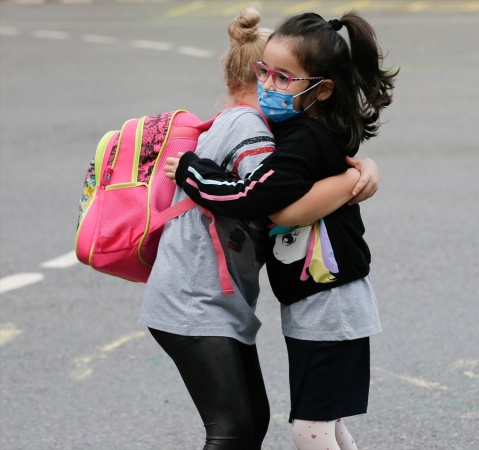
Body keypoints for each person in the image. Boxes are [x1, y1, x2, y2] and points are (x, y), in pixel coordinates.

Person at [140, 8, 380, 450]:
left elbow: (265, 197)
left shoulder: (297, 134)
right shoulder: (263, 129)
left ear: (319, 89)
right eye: (265, 73)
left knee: (264, 425)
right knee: (241, 429)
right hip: (200, 299)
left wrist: (358, 174)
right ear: (250, 74)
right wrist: (356, 176)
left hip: (311, 299)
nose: (271, 85)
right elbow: (268, 201)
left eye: (283, 78)